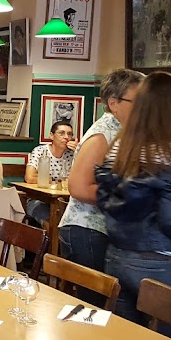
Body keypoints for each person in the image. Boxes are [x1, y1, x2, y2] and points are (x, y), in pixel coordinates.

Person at [94, 72, 171, 329]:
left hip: (117, 252)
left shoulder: (121, 143)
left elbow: (104, 197)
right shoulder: (167, 149)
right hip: (158, 260)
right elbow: (170, 218)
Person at [61, 68, 145, 292]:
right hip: (88, 230)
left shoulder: (124, 131)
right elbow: (78, 187)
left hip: (104, 231)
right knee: (95, 305)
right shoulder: (102, 135)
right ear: (114, 103)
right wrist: (125, 197)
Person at [23, 121, 77, 224]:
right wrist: (56, 181)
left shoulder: (72, 155)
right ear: (51, 136)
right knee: (51, 221)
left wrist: (80, 151)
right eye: (61, 133)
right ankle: (51, 239)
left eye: (69, 134)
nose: (66, 137)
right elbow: (29, 177)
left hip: (64, 201)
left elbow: (77, 180)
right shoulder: (40, 151)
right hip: (39, 200)